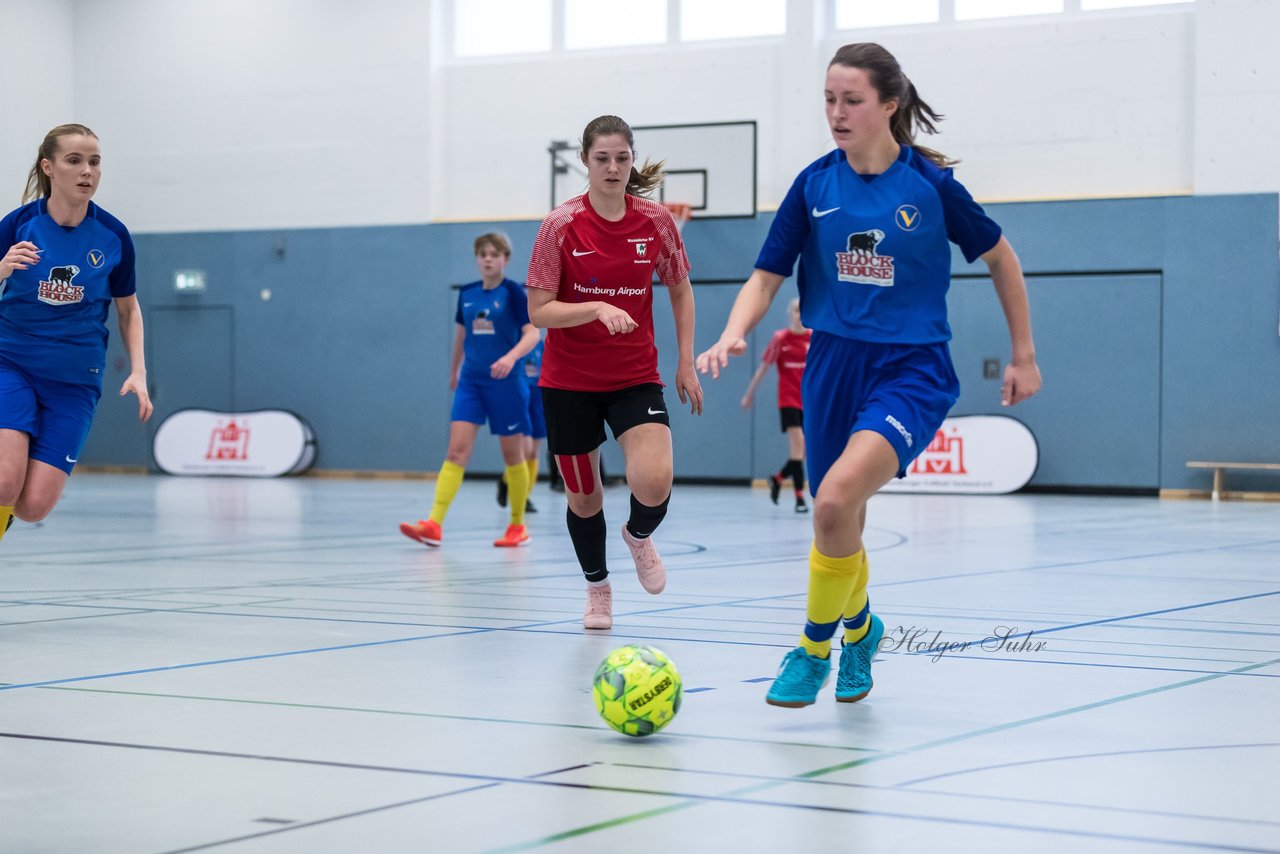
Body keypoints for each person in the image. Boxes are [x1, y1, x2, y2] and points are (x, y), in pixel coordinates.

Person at [697, 43, 1041, 707]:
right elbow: (766, 276)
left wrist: (1023, 354)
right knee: (837, 521)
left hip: (910, 369)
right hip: (831, 364)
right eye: (828, 99)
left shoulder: (932, 188)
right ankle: (863, 630)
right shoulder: (814, 184)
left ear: (889, 104)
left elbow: (1003, 260)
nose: (836, 112)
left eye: (851, 100)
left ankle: (812, 650)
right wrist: (734, 331)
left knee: (831, 499)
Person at [526, 114, 703, 630]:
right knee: (585, 497)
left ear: (631, 160)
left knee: (654, 480)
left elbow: (680, 287)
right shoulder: (559, 225)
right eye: (601, 158)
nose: (612, 167)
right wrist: (595, 307)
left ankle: (639, 536)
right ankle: (598, 587)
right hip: (569, 383)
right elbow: (539, 311)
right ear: (585, 161)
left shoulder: (656, 221)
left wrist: (685, 360)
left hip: (633, 377)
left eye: (622, 158)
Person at [0, 124, 152, 542]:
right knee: (4, 483)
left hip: (73, 379)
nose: (87, 171)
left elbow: (128, 310)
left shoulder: (113, 236)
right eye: (75, 161)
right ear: (49, 167)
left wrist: (138, 371)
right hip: (10, 363)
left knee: (32, 506)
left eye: (94, 162)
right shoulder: (17, 226)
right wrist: (2, 268)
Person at [400, 232, 541, 549]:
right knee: (456, 451)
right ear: (477, 258)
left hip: (507, 383)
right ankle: (434, 523)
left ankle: (518, 525)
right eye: (483, 254)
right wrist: (454, 371)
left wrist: (510, 357)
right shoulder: (466, 294)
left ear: (505, 258)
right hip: (471, 383)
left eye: (494, 254)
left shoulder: (515, 294)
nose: (488, 259)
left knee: (512, 455)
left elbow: (533, 334)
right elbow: (461, 337)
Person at [741, 297, 811, 513]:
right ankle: (800, 499)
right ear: (790, 313)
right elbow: (764, 368)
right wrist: (749, 394)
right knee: (797, 447)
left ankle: (779, 479)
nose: (800, 315)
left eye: (803, 310)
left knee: (802, 452)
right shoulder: (781, 339)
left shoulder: (813, 338)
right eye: (797, 310)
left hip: (808, 402)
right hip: (788, 400)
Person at [497, 305, 543, 514]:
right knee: (522, 449)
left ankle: (525, 497)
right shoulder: (515, 346)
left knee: (535, 449)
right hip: (520, 396)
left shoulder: (543, 346)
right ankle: (508, 481)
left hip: (538, 399)